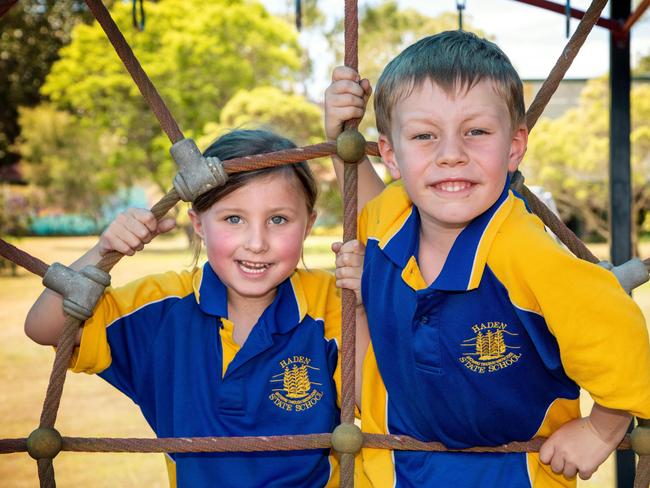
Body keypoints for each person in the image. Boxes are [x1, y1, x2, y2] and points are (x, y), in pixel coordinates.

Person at [325, 31, 650, 487]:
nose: (451, 155)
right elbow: (366, 204)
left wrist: (603, 428)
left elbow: (619, 330)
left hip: (513, 468)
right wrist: (340, 136)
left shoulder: (527, 252)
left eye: (475, 132)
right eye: (424, 136)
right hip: (398, 463)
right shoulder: (390, 219)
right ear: (391, 155)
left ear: (514, 147)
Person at [24, 129, 369, 488]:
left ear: (308, 225)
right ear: (198, 224)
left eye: (278, 220)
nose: (256, 243)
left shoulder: (331, 301)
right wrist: (104, 250)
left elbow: (372, 400)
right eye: (233, 219)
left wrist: (360, 303)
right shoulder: (162, 306)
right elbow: (44, 327)